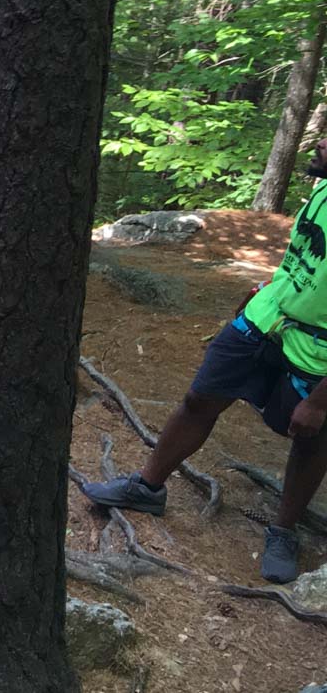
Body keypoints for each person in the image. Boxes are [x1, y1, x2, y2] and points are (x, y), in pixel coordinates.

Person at [80, 141, 327, 584]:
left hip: (317, 354)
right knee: (199, 399)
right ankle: (148, 486)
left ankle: (283, 530)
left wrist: (323, 401)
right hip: (263, 320)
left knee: (313, 438)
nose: (321, 142)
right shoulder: (323, 189)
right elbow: (306, 261)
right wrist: (266, 289)